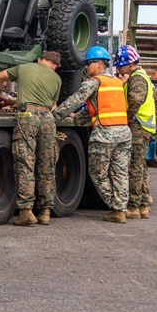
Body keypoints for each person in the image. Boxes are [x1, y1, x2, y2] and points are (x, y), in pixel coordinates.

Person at [53, 46, 132, 223]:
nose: (86, 68)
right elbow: (102, 107)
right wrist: (79, 117)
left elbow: (75, 100)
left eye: (88, 64)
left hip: (105, 134)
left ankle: (115, 206)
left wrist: (55, 116)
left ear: (99, 64)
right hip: (124, 134)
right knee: (120, 173)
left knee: (97, 172)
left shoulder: (94, 82)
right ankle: (120, 209)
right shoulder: (117, 83)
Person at [0, 51, 62, 226]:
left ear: (39, 60)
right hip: (47, 119)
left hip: (27, 117)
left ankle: (26, 212)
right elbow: (50, 104)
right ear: (54, 66)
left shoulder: (24, 68)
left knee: (25, 163)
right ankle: (45, 212)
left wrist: (4, 95)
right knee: (47, 165)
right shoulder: (57, 79)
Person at [114, 45, 157, 219]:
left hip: (137, 128)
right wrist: (155, 125)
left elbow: (134, 101)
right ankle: (144, 204)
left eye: (120, 66)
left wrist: (126, 120)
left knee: (134, 168)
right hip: (145, 128)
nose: (118, 70)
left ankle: (134, 206)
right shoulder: (143, 77)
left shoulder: (137, 79)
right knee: (141, 167)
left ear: (130, 65)